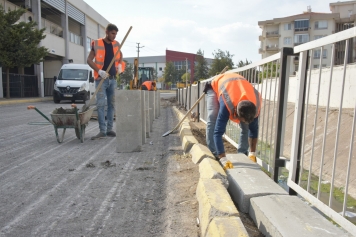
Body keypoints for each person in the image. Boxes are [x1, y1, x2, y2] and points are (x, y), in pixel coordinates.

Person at [204, 72, 262, 170]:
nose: (243, 122)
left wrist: (253, 153)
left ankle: (242, 154)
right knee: (213, 116)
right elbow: (218, 133)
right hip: (216, 86)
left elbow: (254, 130)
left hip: (237, 88)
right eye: (242, 120)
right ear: (235, 112)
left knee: (246, 127)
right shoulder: (227, 104)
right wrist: (223, 158)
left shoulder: (256, 105)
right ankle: (215, 154)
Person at [87, 23, 125, 140]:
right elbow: (89, 60)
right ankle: (102, 131)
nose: (114, 36)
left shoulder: (116, 44)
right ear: (107, 32)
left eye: (116, 34)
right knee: (100, 105)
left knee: (111, 105)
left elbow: (120, 55)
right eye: (112, 33)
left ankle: (109, 129)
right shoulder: (97, 44)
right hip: (101, 79)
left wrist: (119, 65)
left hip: (112, 79)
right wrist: (99, 71)